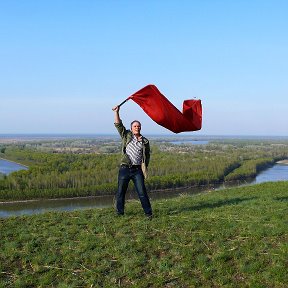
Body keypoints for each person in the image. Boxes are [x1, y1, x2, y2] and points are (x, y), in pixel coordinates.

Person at [112, 105, 152, 219]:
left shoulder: (145, 141)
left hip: (137, 170)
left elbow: (147, 156)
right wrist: (116, 112)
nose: (137, 128)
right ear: (131, 127)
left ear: (140, 128)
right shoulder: (127, 135)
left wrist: (144, 167)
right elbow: (118, 125)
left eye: (138, 126)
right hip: (125, 168)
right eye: (135, 126)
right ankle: (120, 214)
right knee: (120, 192)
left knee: (142, 192)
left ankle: (148, 214)